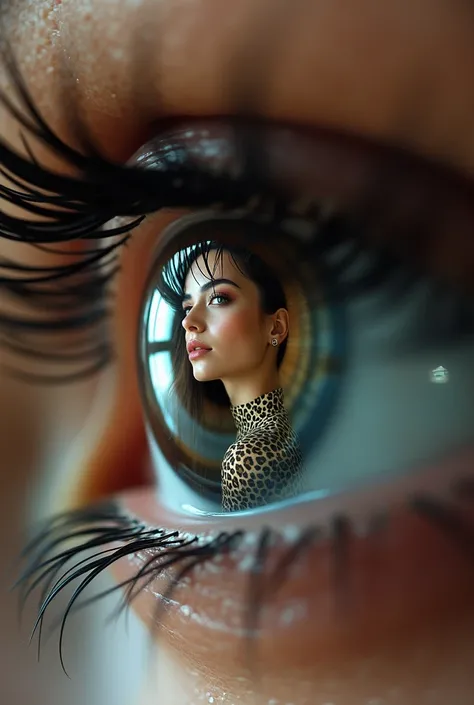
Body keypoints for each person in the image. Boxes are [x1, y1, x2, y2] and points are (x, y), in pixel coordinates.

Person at [1, 2, 474, 705]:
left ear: (282, 324)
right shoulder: (228, 457)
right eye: (182, 300)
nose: (188, 316)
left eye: (218, 295)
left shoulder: (267, 457)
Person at [157, 236, 304, 511]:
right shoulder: (281, 436)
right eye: (188, 307)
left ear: (276, 327)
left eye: (218, 298)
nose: (188, 321)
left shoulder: (247, 458)